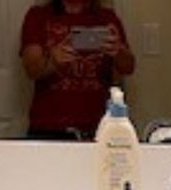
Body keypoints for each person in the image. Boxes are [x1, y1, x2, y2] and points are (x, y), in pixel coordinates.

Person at [19, 0, 135, 140]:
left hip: (98, 126)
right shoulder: (38, 16)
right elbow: (31, 70)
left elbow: (128, 68)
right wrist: (53, 60)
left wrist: (118, 51)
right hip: (48, 125)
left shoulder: (107, 18)